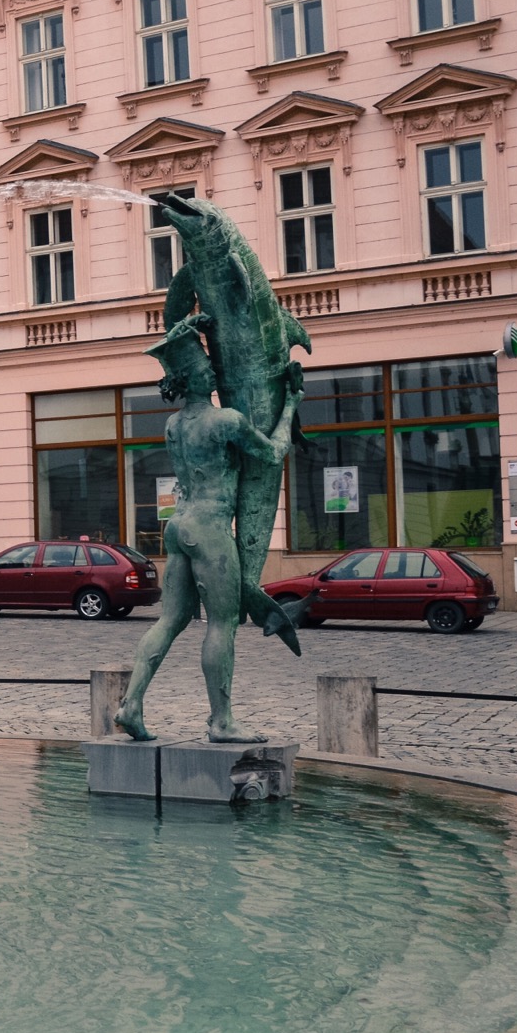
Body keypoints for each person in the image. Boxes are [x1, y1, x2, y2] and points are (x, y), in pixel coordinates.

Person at [115, 318, 305, 744]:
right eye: (206, 368)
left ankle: (131, 704)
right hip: (211, 527)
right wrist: (290, 405)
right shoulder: (226, 421)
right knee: (223, 623)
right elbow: (274, 453)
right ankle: (221, 721)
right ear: (194, 377)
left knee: (171, 619)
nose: (213, 371)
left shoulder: (173, 426)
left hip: (179, 524)